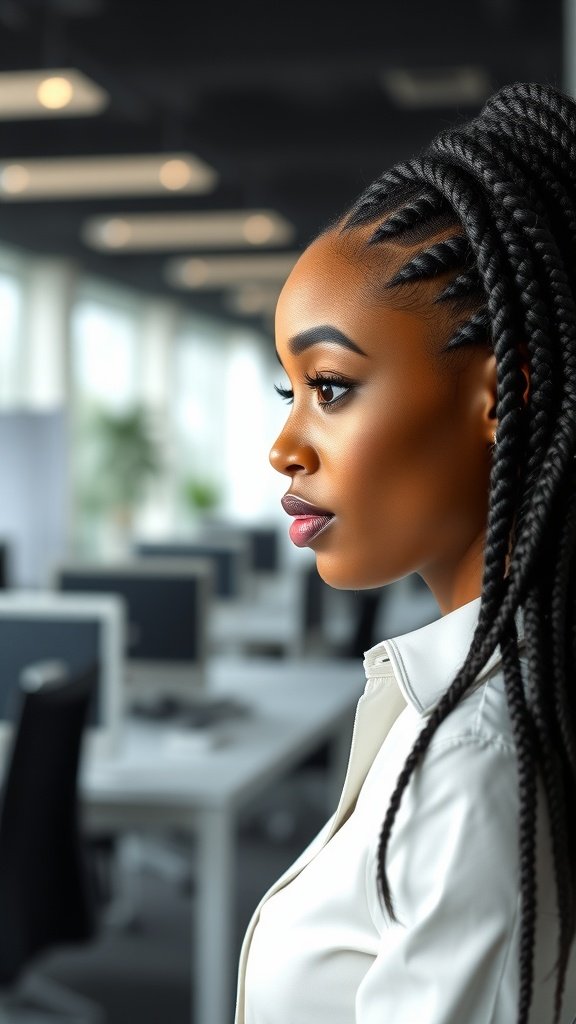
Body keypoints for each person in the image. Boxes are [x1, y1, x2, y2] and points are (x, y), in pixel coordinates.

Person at [234, 82, 576, 1024]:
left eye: (333, 387)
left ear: (501, 401)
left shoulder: (473, 763)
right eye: (289, 391)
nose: (285, 446)